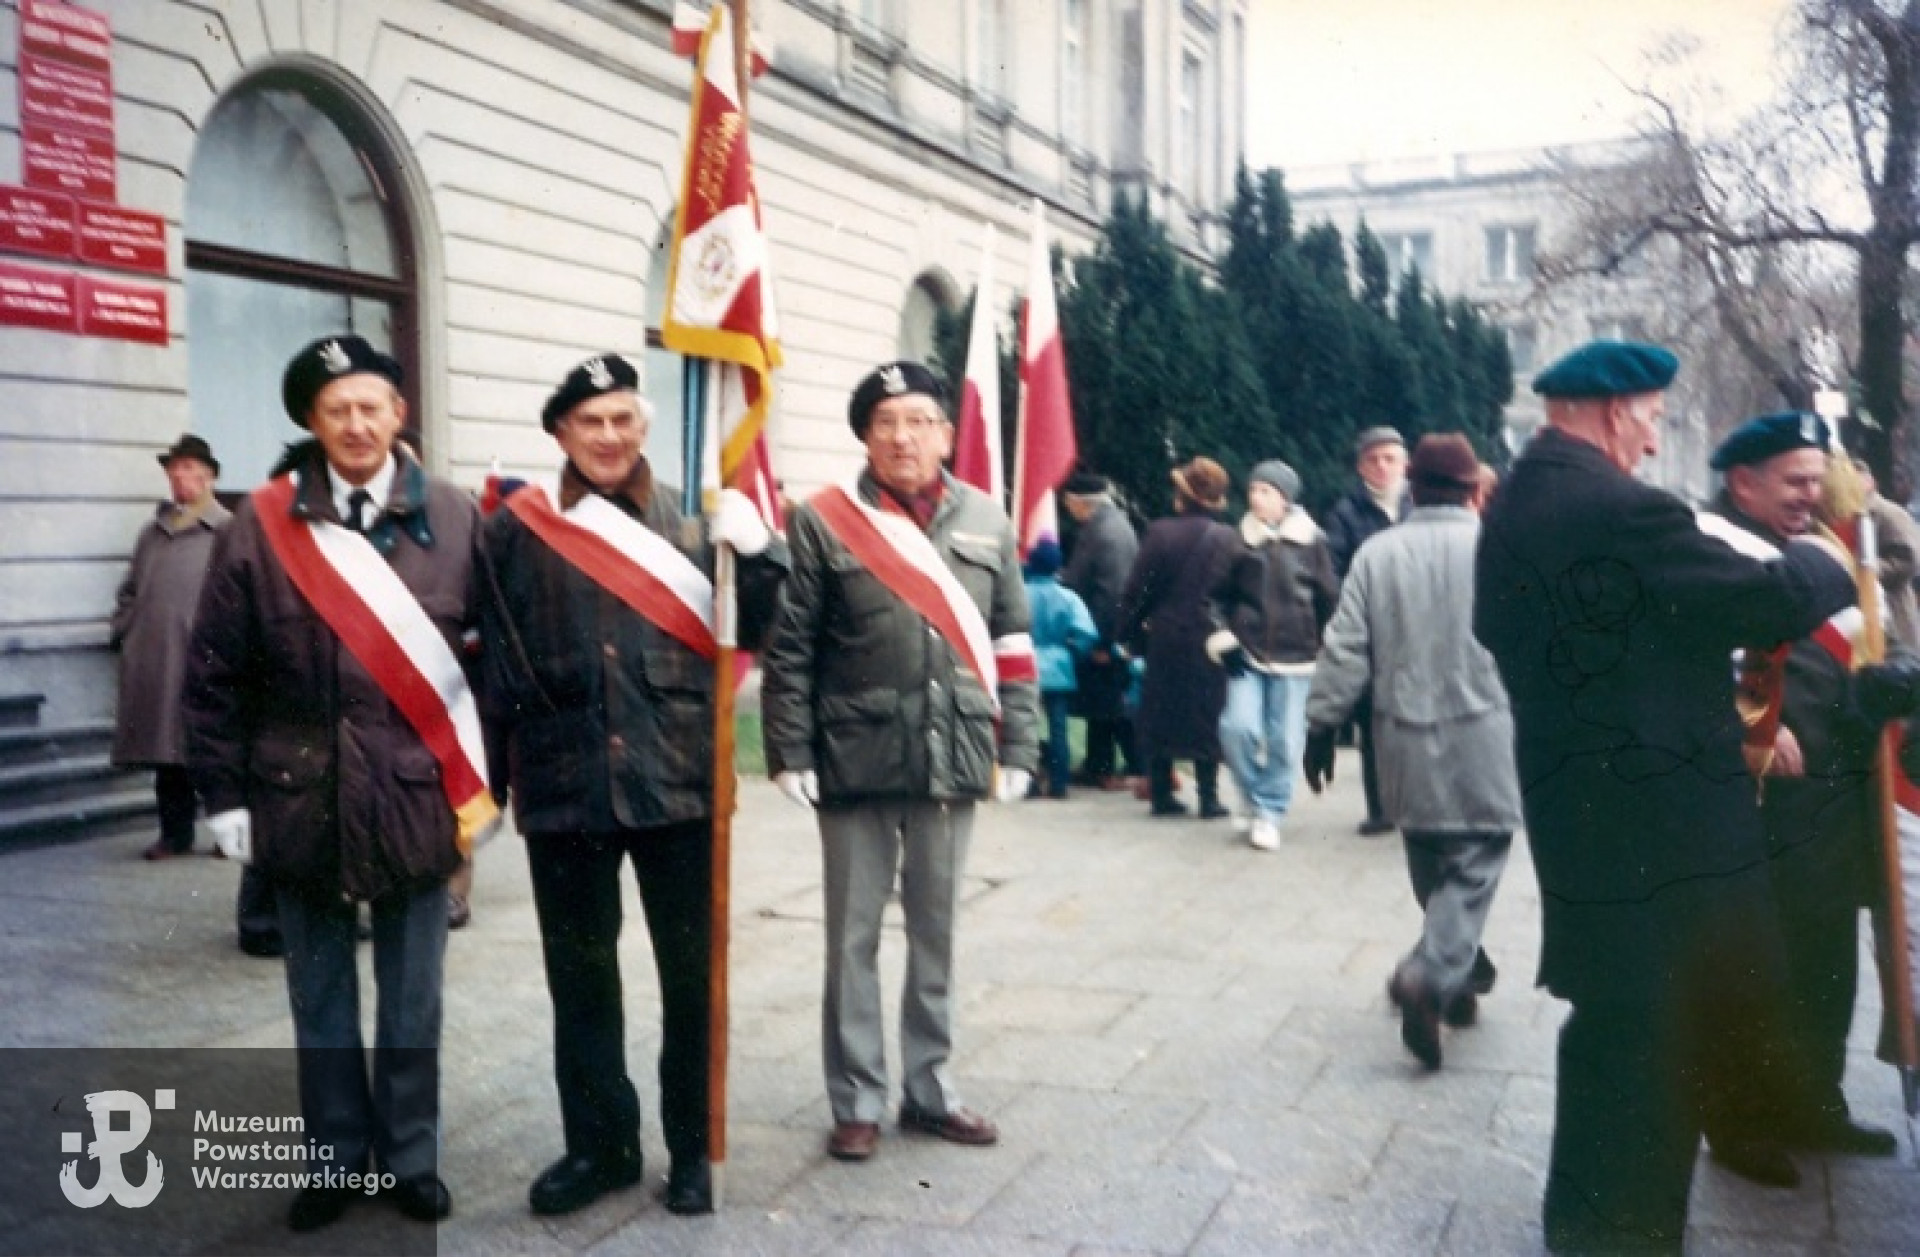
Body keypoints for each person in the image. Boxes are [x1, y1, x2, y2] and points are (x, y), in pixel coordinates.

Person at [1473, 340, 1860, 1252]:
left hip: (1587, 821)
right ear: (1615, 414)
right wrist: (1827, 560)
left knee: (1613, 1039)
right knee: (1652, 1056)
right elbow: (1766, 599)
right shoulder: (1619, 508)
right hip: (1660, 842)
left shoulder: (1522, 500)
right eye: (1648, 422)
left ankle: (1588, 1229)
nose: (1651, 444)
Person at [186, 335, 488, 1233]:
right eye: (336, 410)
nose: (356, 424)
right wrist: (224, 797)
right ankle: (331, 1157)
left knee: (413, 995)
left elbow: (494, 664)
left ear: (401, 414)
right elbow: (214, 672)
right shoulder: (262, 522)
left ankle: (409, 1156)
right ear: (311, 423)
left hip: (414, 794)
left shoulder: (459, 516)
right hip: (298, 795)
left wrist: (485, 784)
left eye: (372, 406)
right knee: (317, 995)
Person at [481, 354, 785, 1217]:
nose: (609, 437)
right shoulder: (516, 530)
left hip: (678, 781)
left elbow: (757, 630)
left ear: (643, 427)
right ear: (560, 435)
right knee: (581, 980)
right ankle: (601, 1146)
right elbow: (497, 660)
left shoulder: (698, 523)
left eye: (622, 419)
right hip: (565, 782)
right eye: (590, 423)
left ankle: (693, 1147)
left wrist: (758, 556)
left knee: (691, 979)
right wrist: (487, 791)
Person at [760, 360, 1039, 1164]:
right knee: (850, 937)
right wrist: (789, 751)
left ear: (945, 433)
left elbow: (1012, 640)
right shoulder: (822, 520)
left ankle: (930, 1087)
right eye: (886, 422)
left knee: (937, 930)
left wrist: (1018, 743)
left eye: (919, 419)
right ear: (865, 436)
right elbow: (793, 649)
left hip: (953, 754)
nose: (903, 435)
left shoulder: (988, 517)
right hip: (855, 757)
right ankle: (855, 1097)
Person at [1704, 413, 1904, 1162]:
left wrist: (1880, 688)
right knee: (1757, 967)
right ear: (1742, 480)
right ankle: (1742, 1126)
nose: (1810, 495)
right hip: (1755, 805)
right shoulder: (1711, 547)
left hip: (1828, 793)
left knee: (1825, 961)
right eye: (1794, 481)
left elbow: (1850, 647)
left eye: (1816, 480)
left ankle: (1814, 1102)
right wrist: (1754, 722)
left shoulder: (1821, 547)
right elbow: (1713, 661)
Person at [1303, 435, 1519, 1069]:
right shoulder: (1499, 552)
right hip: (1485, 735)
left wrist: (1321, 726)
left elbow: (1345, 646)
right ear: (1474, 490)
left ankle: (1459, 976)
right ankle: (1430, 977)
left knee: (1431, 855)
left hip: (1402, 738)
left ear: (1414, 488)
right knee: (1478, 858)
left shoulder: (1377, 553)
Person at [1205, 458, 1337, 849]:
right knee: (1237, 729)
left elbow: (1331, 599)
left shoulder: (1312, 543)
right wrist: (1222, 638)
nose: (1256, 498)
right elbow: (1212, 598)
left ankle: (1269, 813)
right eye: (1253, 491)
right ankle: (1251, 797)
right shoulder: (1236, 541)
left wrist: (1331, 644)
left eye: (1266, 491)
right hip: (1246, 653)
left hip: (1298, 657)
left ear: (1285, 499)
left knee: (1285, 740)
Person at [112, 435, 231, 863]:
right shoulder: (153, 532)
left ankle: (227, 834)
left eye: (192, 468)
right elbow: (129, 590)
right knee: (167, 753)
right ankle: (174, 834)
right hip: (157, 660)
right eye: (175, 469)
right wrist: (126, 630)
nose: (182, 477)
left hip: (206, 659)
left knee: (211, 751)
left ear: (210, 475)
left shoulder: (226, 529)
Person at [1117, 457, 1240, 819]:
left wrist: (1127, 632)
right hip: (1210, 639)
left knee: (1160, 714)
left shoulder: (1160, 533)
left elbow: (1138, 590)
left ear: (1184, 496)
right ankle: (1208, 797)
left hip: (1167, 636)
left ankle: (1160, 794)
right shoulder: (1228, 538)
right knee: (1207, 715)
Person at [1323, 425, 1409, 836]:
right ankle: (1380, 808)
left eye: (1389, 458)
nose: (1382, 467)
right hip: (1371, 631)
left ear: (1404, 463)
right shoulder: (1346, 513)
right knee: (1374, 719)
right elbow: (1331, 571)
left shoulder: (1420, 505)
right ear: (1360, 467)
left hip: (1416, 628)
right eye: (1373, 460)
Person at [1058, 472, 1141, 786]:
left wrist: (1104, 642)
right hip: (1116, 628)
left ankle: (1139, 766)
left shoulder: (1098, 533)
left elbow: (1107, 591)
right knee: (1103, 700)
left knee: (1110, 704)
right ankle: (1100, 764)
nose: (1068, 510)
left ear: (1081, 503)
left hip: (1104, 628)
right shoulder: (1115, 525)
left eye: (1069, 504)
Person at [1023, 538, 1097, 798]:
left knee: (1025, 726)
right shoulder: (1068, 597)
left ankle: (1028, 782)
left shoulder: (1020, 592)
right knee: (1058, 728)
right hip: (1058, 666)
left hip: (1024, 663)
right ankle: (1059, 783)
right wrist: (1072, 653)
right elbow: (1087, 633)